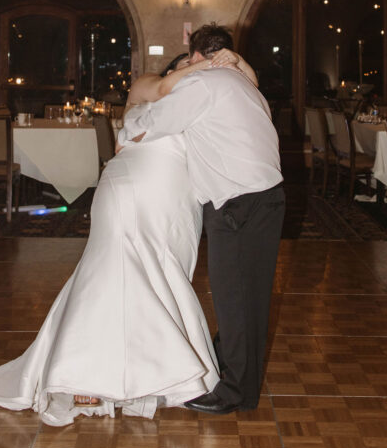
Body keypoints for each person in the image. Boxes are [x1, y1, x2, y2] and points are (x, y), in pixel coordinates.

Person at [0, 49, 252, 427]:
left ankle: (147, 374)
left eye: (202, 61)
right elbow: (163, 88)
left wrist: (233, 60)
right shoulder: (149, 84)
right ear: (173, 68)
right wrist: (207, 64)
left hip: (173, 201)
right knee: (111, 272)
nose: (197, 66)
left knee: (155, 276)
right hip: (131, 189)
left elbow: (250, 90)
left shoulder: (201, 99)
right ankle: (82, 375)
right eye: (187, 62)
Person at [118, 23, 285, 414]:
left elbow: (147, 127)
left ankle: (236, 393)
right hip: (266, 198)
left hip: (239, 202)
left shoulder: (204, 85)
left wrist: (129, 124)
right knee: (246, 298)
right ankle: (228, 367)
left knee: (235, 298)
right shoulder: (244, 85)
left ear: (196, 58)